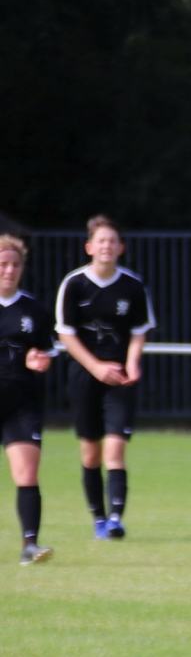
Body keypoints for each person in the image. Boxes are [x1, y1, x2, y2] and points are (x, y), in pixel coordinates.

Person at [56, 216, 153, 540]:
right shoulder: (74, 284)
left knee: (115, 449)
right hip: (84, 376)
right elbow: (66, 334)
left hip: (119, 380)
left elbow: (139, 331)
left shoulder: (132, 286)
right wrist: (96, 367)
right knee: (91, 453)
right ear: (89, 247)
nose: (106, 246)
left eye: (112, 241)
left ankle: (115, 520)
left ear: (120, 247)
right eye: (101, 241)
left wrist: (132, 363)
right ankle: (98, 518)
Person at [0, 236, 55, 564]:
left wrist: (38, 361)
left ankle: (30, 546)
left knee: (27, 473)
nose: (9, 270)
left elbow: (44, 353)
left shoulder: (34, 310)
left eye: (15, 265)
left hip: (21, 404)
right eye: (3, 264)